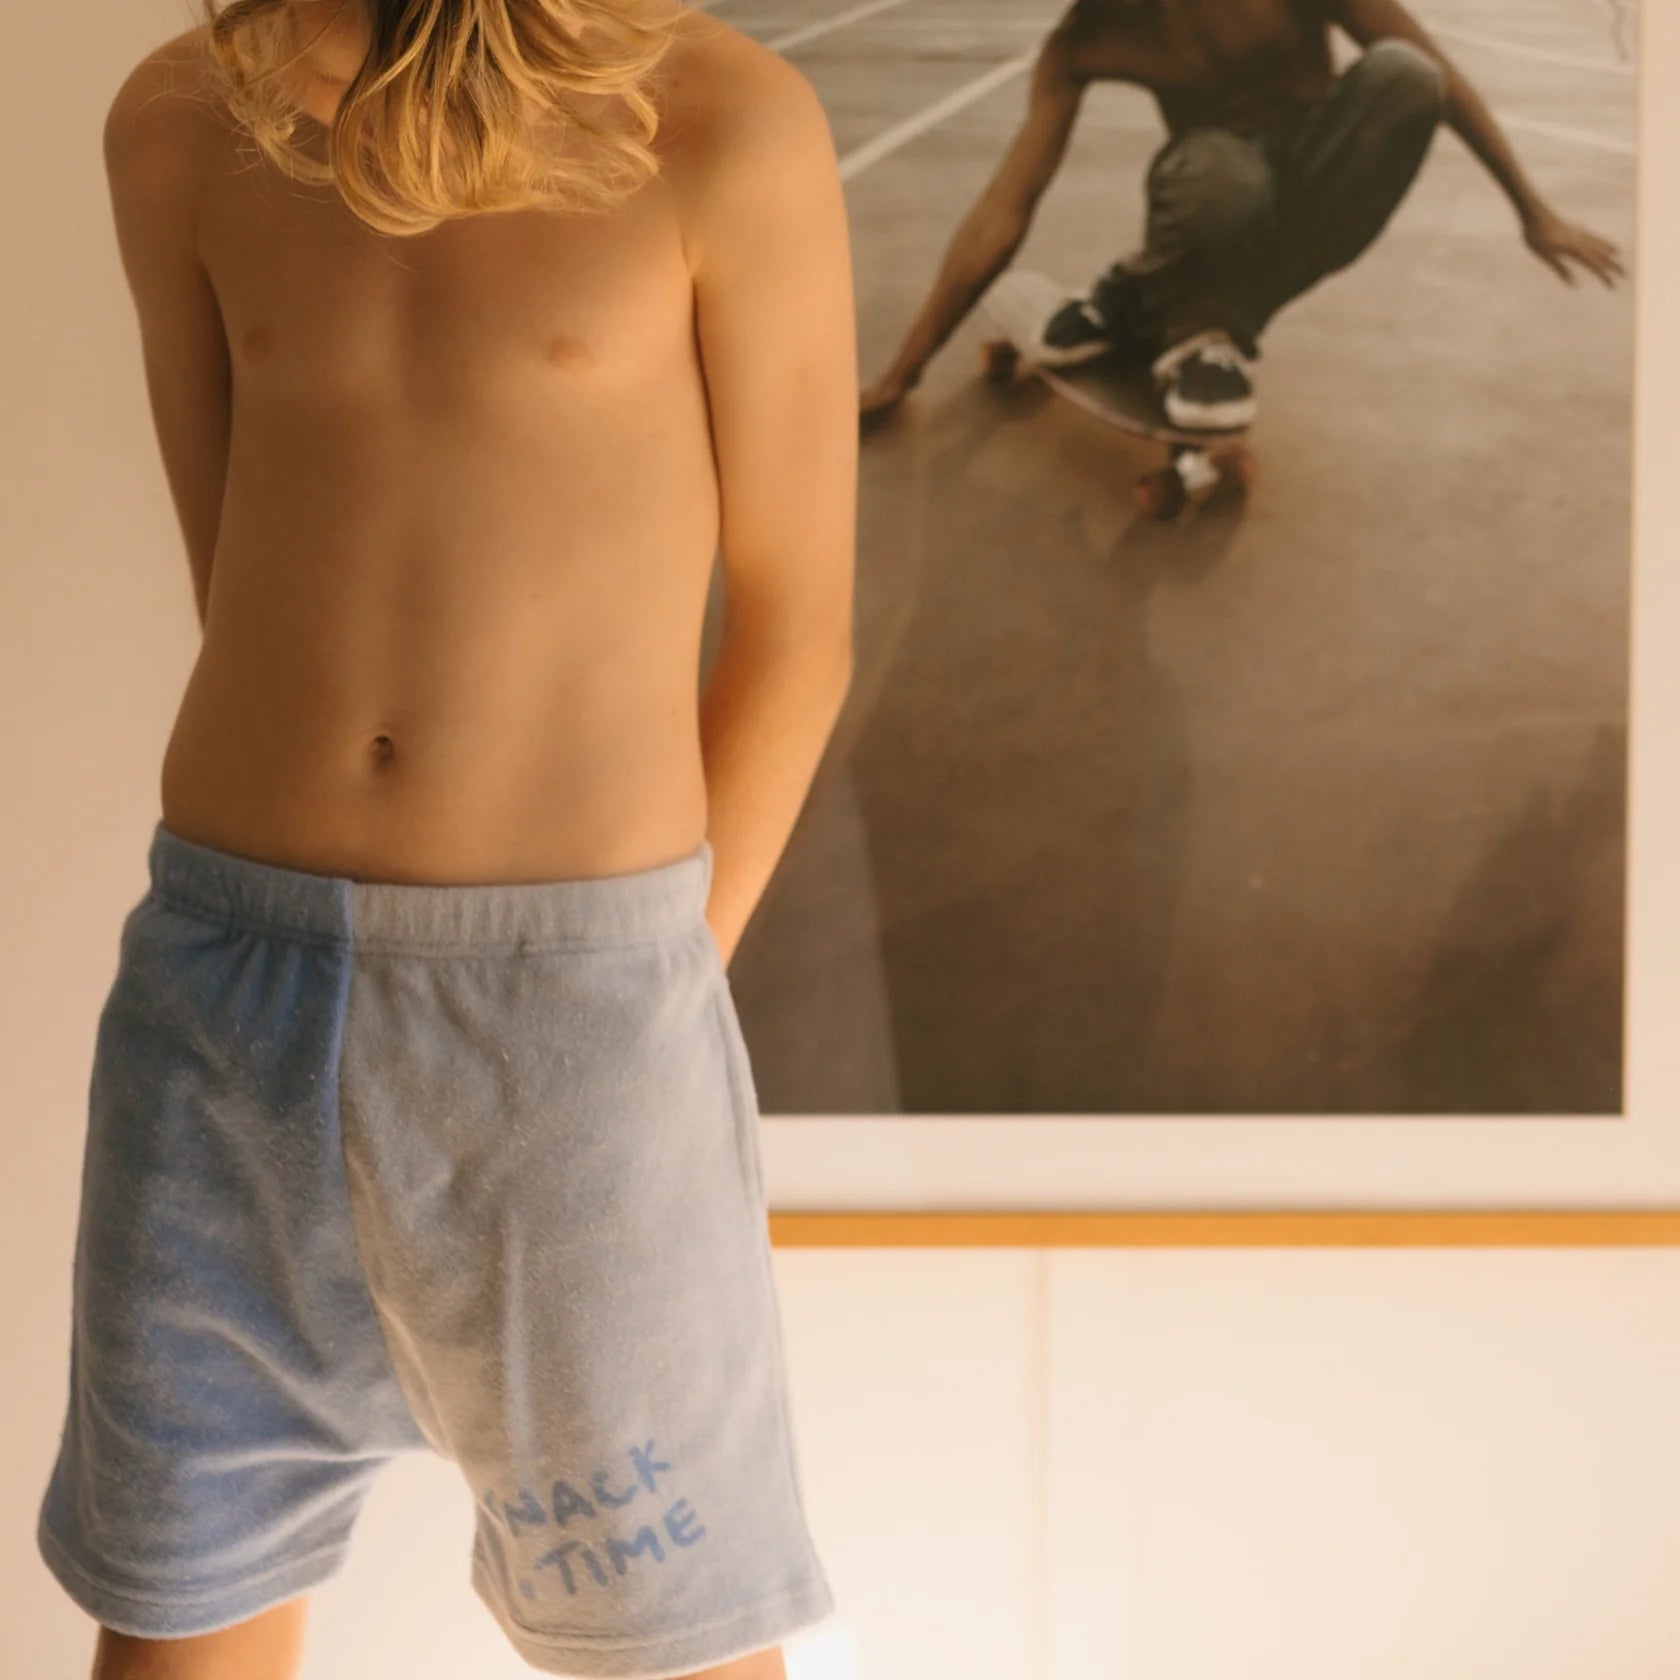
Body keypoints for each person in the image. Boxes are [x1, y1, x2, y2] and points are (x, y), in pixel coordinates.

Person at [36, 2, 856, 1677]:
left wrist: (643, 1001)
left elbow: (796, 631)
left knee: (671, 1646)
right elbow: (241, 572)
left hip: (575, 1017)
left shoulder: (717, 122)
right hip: (220, 1004)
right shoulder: (182, 123)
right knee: (174, 1634)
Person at [859, 0, 1623, 431]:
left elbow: (1441, 73)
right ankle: (1176, 315)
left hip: (1317, 186)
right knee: (1219, 168)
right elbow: (1007, 203)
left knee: (1406, 75)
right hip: (1213, 197)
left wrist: (1534, 210)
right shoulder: (1088, 36)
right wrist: (905, 370)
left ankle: (1139, 303)